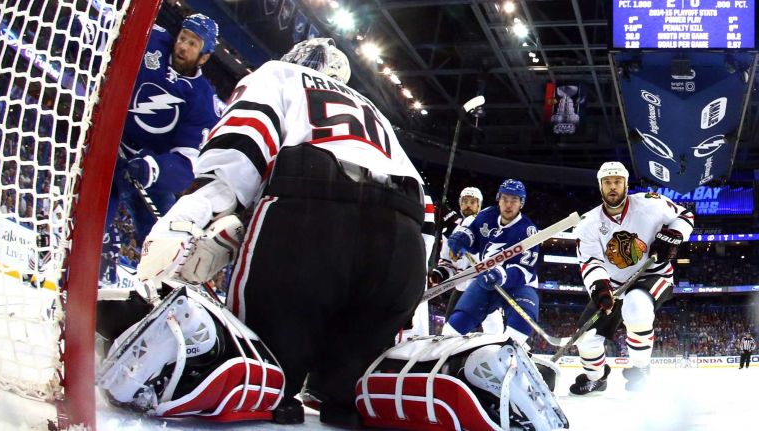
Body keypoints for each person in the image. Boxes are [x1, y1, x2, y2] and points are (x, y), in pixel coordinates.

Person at [137, 37, 434, 427]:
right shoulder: (373, 111)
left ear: (296, 58)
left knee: (270, 373)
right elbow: (425, 209)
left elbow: (243, 144)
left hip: (312, 212)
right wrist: (409, 293)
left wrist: (189, 219)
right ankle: (344, 394)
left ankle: (273, 389)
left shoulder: (280, 73)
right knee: (351, 392)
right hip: (404, 237)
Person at [100, 14, 221, 286]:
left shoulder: (203, 101)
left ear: (204, 56)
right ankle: (89, 273)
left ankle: (158, 297)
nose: (183, 47)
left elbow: (188, 166)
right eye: (182, 38)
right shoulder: (152, 41)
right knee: (94, 224)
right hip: (110, 149)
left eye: (193, 44)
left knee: (163, 243)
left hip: (150, 170)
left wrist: (153, 169)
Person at [569, 161, 694, 395]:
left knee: (636, 306)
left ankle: (640, 368)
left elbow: (685, 216)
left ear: (626, 184)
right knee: (585, 338)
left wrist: (674, 234)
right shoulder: (588, 223)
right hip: (614, 285)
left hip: (653, 274)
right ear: (600, 187)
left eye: (617, 181)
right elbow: (590, 262)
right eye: (607, 183)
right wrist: (600, 289)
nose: (613, 187)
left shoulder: (651, 204)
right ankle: (596, 377)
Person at [441, 179, 540, 346]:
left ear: (521, 203)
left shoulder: (528, 230)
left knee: (519, 330)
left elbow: (526, 271)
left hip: (518, 286)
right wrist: (462, 240)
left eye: (514, 200)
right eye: (505, 199)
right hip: (486, 281)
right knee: (451, 331)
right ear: (498, 199)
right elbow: (472, 236)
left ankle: (516, 356)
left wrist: (502, 274)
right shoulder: (487, 214)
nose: (508, 205)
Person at [430, 186, 504, 334]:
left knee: (495, 332)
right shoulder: (451, 230)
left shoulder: (487, 225)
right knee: (448, 332)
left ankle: (507, 347)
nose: (468, 204)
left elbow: (484, 255)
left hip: (482, 286)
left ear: (479, 205)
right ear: (460, 204)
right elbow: (448, 262)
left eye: (472, 201)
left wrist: (453, 227)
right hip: (461, 288)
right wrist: (441, 273)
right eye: (465, 201)